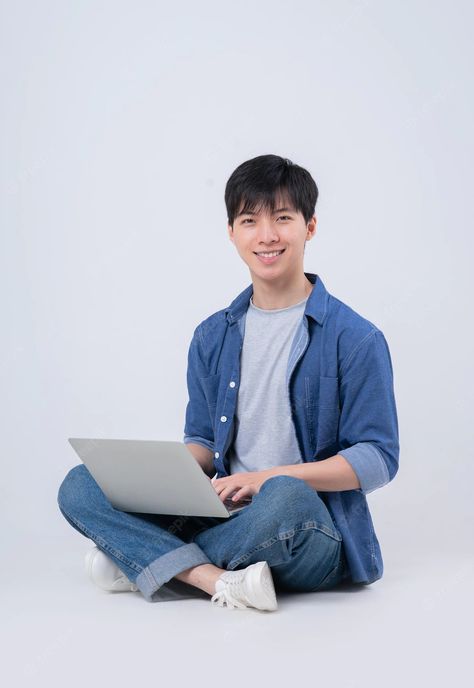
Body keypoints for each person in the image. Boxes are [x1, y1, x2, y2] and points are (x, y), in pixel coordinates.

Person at [57, 154, 400, 612]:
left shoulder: (356, 338)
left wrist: (266, 478)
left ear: (310, 226)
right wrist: (157, 472)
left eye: (282, 218)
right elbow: (202, 442)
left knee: (285, 497)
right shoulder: (212, 335)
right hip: (223, 515)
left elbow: (378, 458)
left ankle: (148, 562)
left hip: (305, 524)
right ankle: (212, 577)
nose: (267, 236)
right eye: (249, 220)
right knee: (81, 483)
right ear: (231, 232)